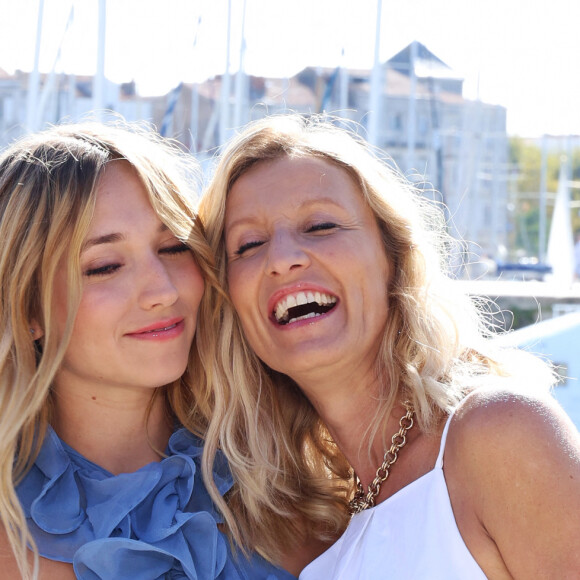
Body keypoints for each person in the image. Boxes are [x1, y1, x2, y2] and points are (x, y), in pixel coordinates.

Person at [199, 114, 580, 578]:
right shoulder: (315, 527)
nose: (282, 258)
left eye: (320, 226)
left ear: (393, 258)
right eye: (250, 244)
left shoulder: (499, 432)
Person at [0, 122, 295, 580]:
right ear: (27, 308)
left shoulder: (287, 476)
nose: (162, 290)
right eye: (105, 266)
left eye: (173, 246)